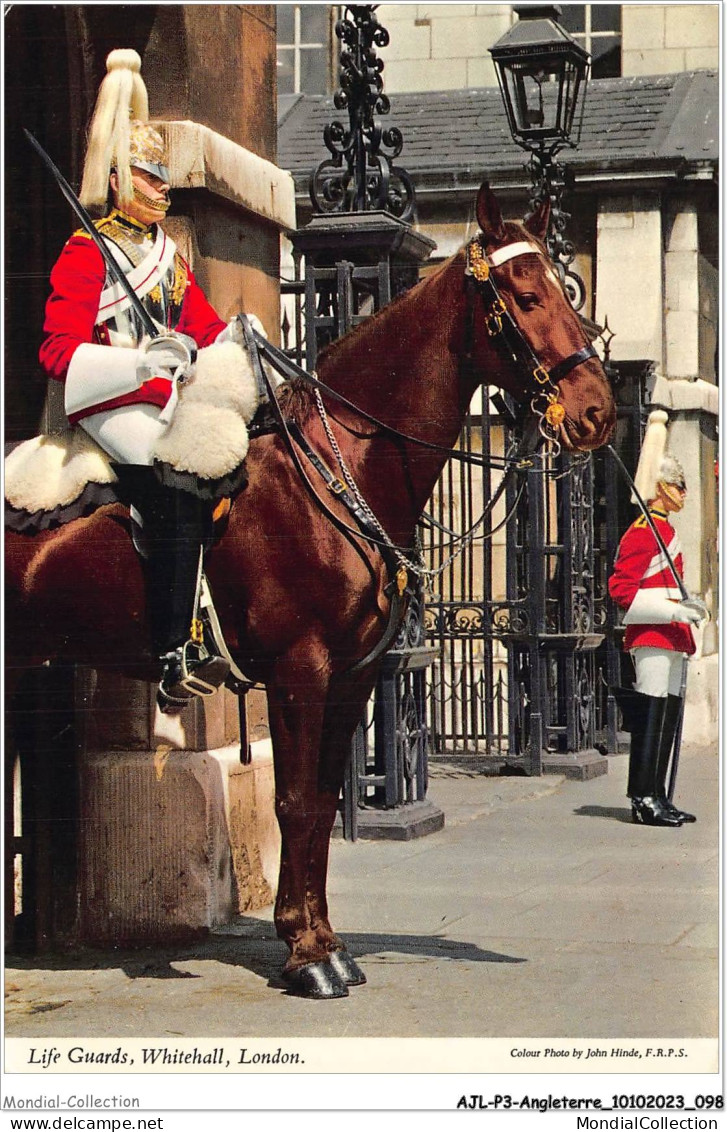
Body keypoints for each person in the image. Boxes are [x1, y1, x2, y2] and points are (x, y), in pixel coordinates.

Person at [39, 49, 246, 712]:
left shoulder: (167, 257)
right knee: (174, 488)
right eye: (153, 179)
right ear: (123, 179)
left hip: (160, 398)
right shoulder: (84, 250)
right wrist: (137, 362)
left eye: (164, 180)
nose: (164, 190)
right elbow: (57, 351)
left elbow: (206, 327)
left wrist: (242, 340)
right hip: (106, 403)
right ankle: (170, 649)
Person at [609, 451, 705, 827]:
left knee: (666, 716)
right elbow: (621, 590)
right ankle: (642, 796)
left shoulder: (665, 531)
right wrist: (672, 611)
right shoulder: (642, 532)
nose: (684, 493)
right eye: (679, 485)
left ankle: (660, 793)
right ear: (662, 488)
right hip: (651, 634)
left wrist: (687, 608)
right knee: (650, 715)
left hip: (672, 635)